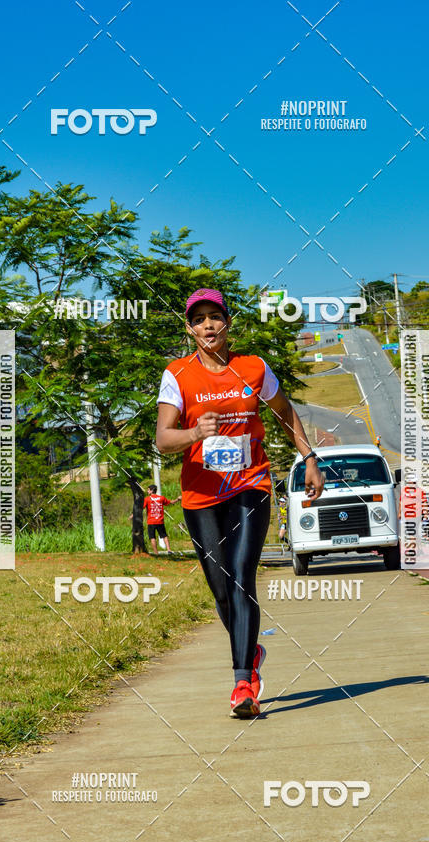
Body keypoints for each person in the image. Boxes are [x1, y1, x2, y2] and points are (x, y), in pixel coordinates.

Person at [155, 288, 324, 718]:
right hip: (200, 494)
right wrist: (194, 434)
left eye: (215, 317)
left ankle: (242, 683)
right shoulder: (178, 374)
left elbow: (285, 413)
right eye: (199, 319)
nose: (208, 325)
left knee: (241, 577)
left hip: (251, 485)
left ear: (228, 322)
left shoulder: (253, 368)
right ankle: (252, 649)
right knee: (220, 589)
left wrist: (309, 459)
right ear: (189, 328)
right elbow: (162, 440)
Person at [141, 485, 181, 554]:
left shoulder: (147, 499)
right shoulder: (161, 498)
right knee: (164, 536)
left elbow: (141, 508)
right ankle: (169, 550)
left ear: (151, 491)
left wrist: (133, 514)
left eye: (148, 490)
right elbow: (171, 502)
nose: (147, 491)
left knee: (152, 537)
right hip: (160, 521)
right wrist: (178, 499)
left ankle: (156, 553)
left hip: (151, 522)